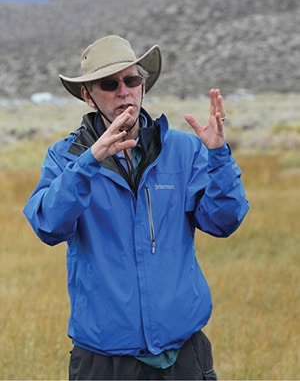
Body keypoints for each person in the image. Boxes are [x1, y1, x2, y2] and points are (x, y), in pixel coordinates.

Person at [23, 35, 249, 380]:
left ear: (143, 85)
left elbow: (223, 222)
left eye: (132, 80)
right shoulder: (65, 157)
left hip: (184, 356)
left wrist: (219, 157)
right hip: (104, 360)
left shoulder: (184, 149)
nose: (123, 91)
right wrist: (90, 163)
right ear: (88, 95)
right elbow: (48, 226)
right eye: (109, 84)